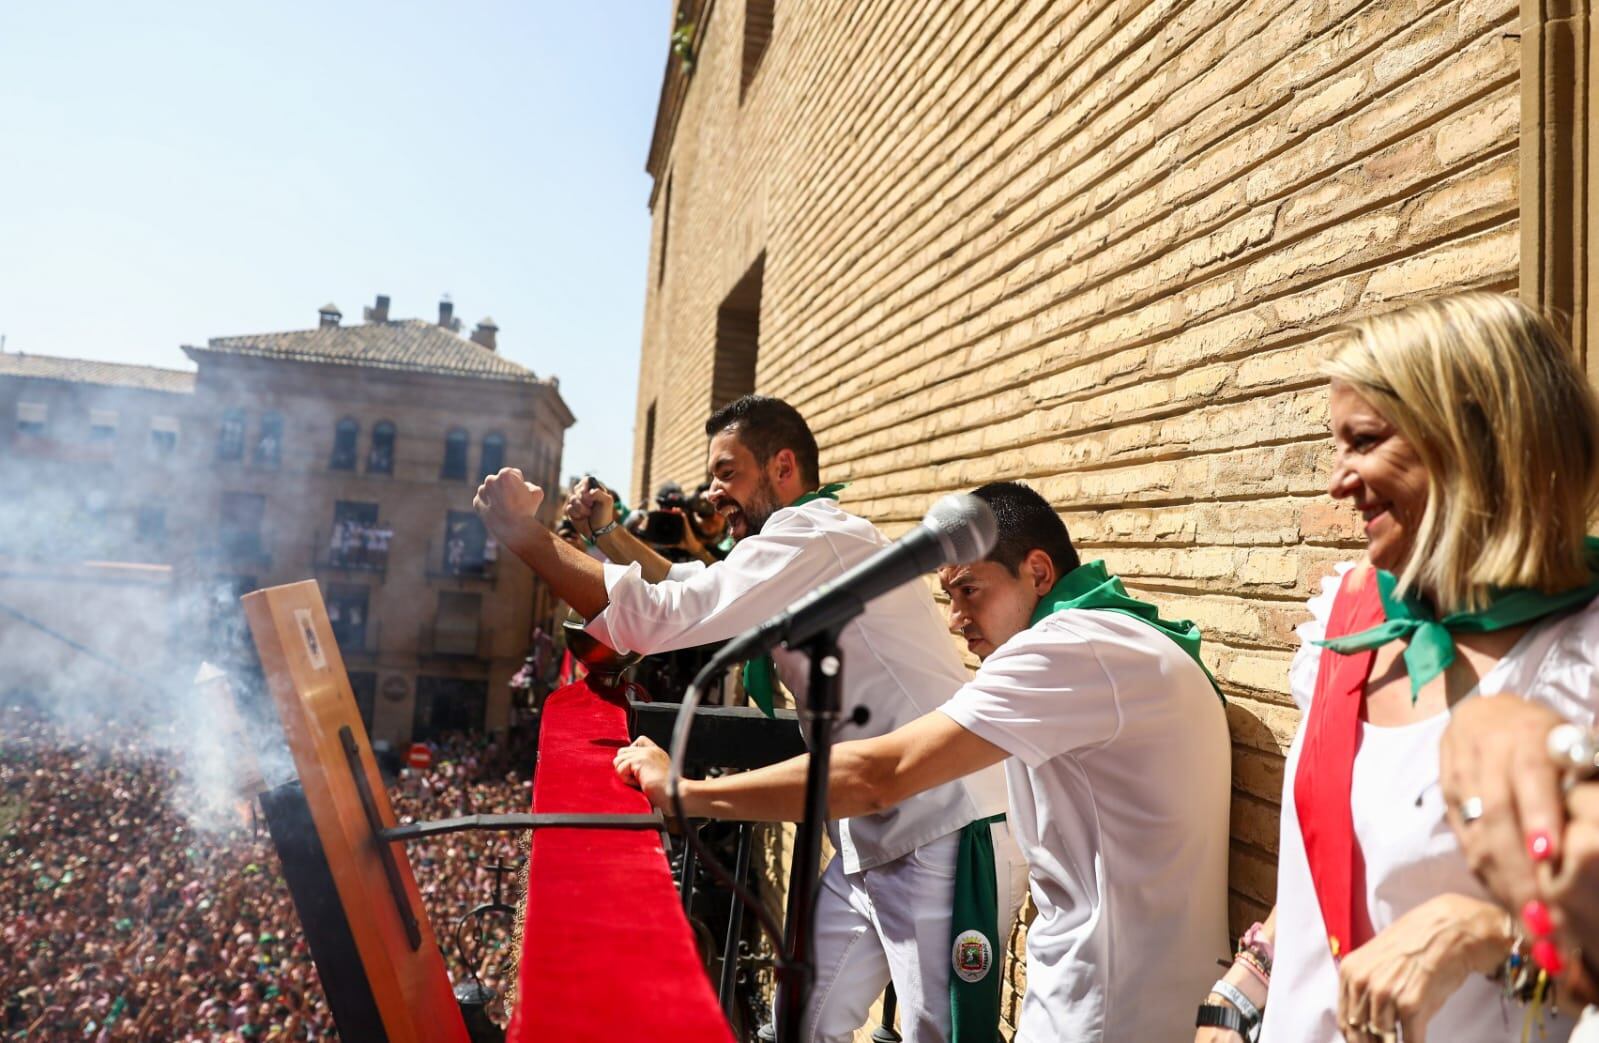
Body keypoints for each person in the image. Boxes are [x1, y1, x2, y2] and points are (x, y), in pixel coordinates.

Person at [474, 394, 1022, 1043]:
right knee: (800, 1022)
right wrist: (604, 534)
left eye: (727, 473)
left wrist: (523, 536)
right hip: (871, 835)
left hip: (946, 830)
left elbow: (660, 614)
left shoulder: (813, 536)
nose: (712, 494)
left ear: (782, 466)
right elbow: (695, 587)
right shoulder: (796, 541)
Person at [614, 480, 1231, 1040]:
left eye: (971, 590)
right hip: (1134, 993)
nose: (958, 618)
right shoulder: (1116, 634)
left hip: (1102, 1009)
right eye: (948, 595)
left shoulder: (1068, 649)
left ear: (1038, 572)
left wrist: (688, 793)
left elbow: (878, 776)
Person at [1194, 292, 1599, 1043]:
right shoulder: (1344, 621)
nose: (1336, 482)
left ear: (1477, 438)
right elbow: (1333, 859)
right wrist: (1245, 983)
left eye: (1365, 441)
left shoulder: (1580, 660)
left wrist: (1485, 929)